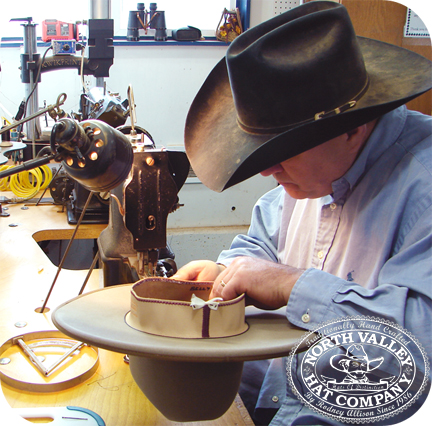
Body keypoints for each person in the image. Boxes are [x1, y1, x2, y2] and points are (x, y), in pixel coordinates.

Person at [173, 1, 432, 425]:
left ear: (352, 128)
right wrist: (228, 272)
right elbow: (262, 243)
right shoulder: (307, 175)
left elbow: (420, 348)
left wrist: (294, 286)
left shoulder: (423, 186)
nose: (266, 170)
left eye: (282, 151)